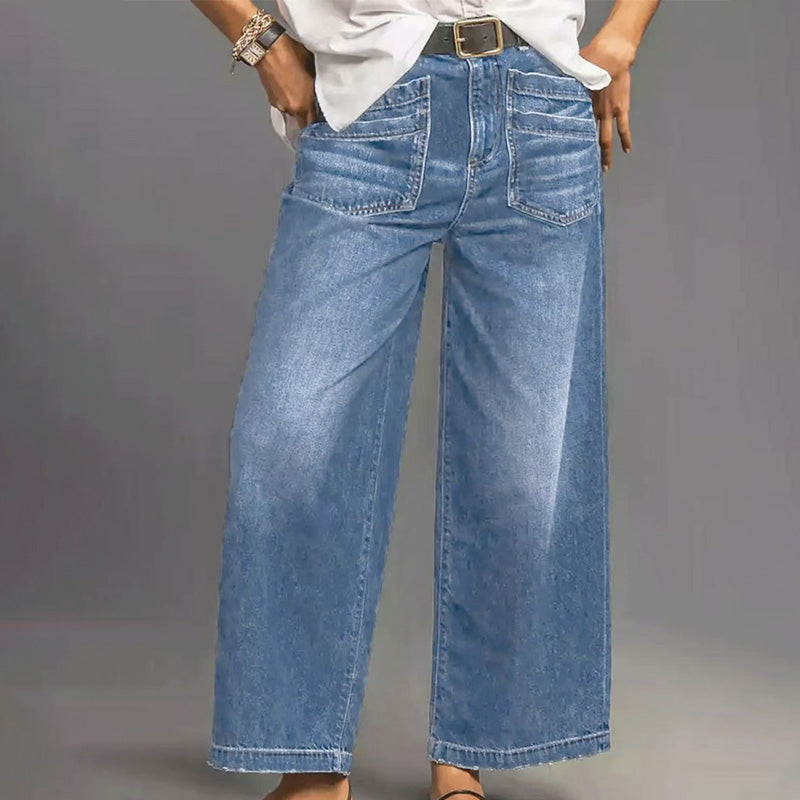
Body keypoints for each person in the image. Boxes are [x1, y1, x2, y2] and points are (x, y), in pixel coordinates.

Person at [189, 3, 661, 800]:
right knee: (288, 443)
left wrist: (625, 36)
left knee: (522, 472)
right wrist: (259, 41)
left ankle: (466, 759)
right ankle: (309, 767)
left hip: (538, 109)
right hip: (372, 108)